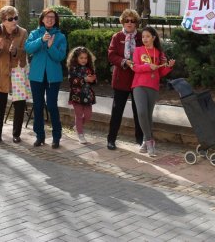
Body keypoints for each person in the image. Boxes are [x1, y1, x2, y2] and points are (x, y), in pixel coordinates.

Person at [0, 6, 29, 145]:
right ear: (3, 20)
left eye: (16, 17)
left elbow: (25, 51)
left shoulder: (23, 32)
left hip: (17, 71)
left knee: (19, 104)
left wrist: (16, 51)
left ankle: (16, 134)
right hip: (1, 72)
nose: (14, 21)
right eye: (11, 19)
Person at [25, 8, 67, 149]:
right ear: (42, 19)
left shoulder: (60, 37)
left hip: (53, 77)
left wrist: (50, 47)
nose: (50, 19)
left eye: (53, 18)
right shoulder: (35, 33)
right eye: (47, 17)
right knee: (37, 106)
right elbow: (28, 48)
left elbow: (60, 57)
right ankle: (39, 136)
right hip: (36, 76)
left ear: (56, 21)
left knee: (52, 106)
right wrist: (41, 40)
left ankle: (56, 137)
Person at [130, 26, 175, 157]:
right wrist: (147, 66)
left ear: (153, 38)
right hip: (138, 85)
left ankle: (145, 140)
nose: (145, 39)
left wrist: (169, 67)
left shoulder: (159, 53)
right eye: (143, 36)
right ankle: (150, 141)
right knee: (142, 112)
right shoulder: (138, 50)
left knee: (148, 115)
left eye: (148, 36)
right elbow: (135, 67)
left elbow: (161, 72)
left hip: (153, 86)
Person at [106, 9, 144, 150]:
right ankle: (111, 139)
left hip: (138, 79)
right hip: (121, 78)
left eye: (132, 21)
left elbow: (148, 52)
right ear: (122, 21)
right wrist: (124, 61)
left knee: (138, 111)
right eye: (126, 20)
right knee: (117, 111)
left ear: (136, 23)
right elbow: (111, 55)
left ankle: (140, 139)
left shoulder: (141, 37)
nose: (129, 23)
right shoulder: (117, 37)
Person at [66, 46, 97, 144]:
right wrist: (84, 79)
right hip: (77, 96)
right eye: (81, 58)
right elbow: (72, 81)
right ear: (76, 58)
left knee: (88, 115)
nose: (84, 60)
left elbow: (93, 81)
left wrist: (93, 79)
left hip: (87, 96)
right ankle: (80, 134)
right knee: (78, 116)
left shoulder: (89, 68)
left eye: (85, 58)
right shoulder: (73, 68)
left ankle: (77, 126)